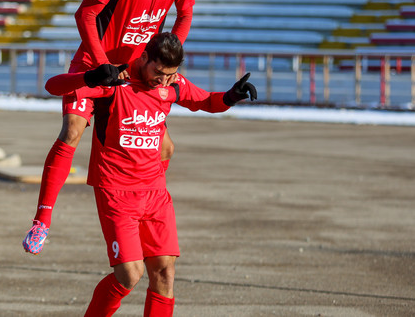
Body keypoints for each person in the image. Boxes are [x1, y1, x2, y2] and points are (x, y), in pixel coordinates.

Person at [23, 0, 195, 254]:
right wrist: (102, 66)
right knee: (72, 130)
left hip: (138, 73)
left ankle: (147, 207)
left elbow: (185, 15)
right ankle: (42, 220)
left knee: (165, 147)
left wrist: (168, 57)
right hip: (95, 64)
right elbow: (85, 14)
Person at [40, 33, 256, 316]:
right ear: (144, 58)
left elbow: (205, 101)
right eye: (159, 72)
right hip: (116, 191)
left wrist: (231, 96)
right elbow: (52, 86)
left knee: (165, 272)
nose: (163, 81)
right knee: (129, 274)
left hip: (155, 193)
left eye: (171, 75)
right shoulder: (115, 83)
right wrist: (90, 77)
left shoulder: (172, 86)